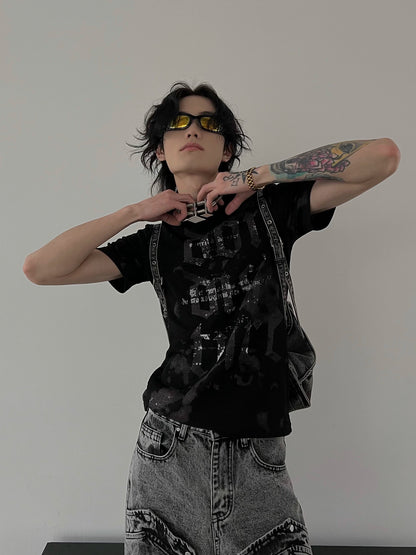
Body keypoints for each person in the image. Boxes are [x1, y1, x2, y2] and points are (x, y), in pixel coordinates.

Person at [23, 81, 399, 554]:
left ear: (226, 150)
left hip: (258, 455)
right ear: (160, 150)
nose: (193, 129)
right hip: (168, 455)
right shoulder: (154, 243)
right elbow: (40, 269)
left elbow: (383, 156)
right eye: (179, 123)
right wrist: (136, 211)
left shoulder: (272, 210)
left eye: (209, 123)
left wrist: (256, 177)